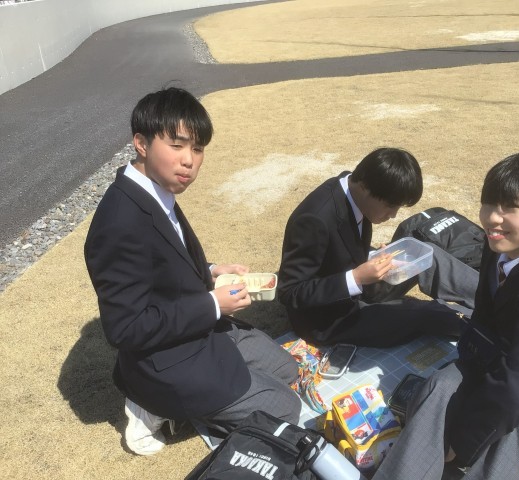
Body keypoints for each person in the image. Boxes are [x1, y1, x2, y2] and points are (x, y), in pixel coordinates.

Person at [84, 87, 301, 456]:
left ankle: (215, 393)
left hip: (198, 330)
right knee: (286, 408)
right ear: (141, 143)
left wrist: (211, 270)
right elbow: (125, 329)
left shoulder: (154, 189)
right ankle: (150, 405)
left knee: (287, 370)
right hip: (166, 361)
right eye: (177, 145)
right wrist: (213, 304)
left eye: (198, 149)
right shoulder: (119, 222)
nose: (189, 161)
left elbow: (163, 261)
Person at [372, 151, 519, 480]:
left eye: (510, 207)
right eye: (489, 204)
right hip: (501, 363)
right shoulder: (502, 244)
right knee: (441, 385)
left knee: (515, 417)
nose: (493, 218)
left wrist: (461, 441)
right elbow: (484, 326)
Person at [277, 147, 471, 347]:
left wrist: (373, 256)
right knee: (424, 313)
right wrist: (356, 277)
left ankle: (488, 298)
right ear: (364, 187)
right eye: (391, 206)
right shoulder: (314, 220)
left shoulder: (355, 190)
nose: (393, 215)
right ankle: (481, 328)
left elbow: (340, 247)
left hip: (361, 285)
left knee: (427, 255)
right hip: (332, 318)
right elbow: (289, 292)